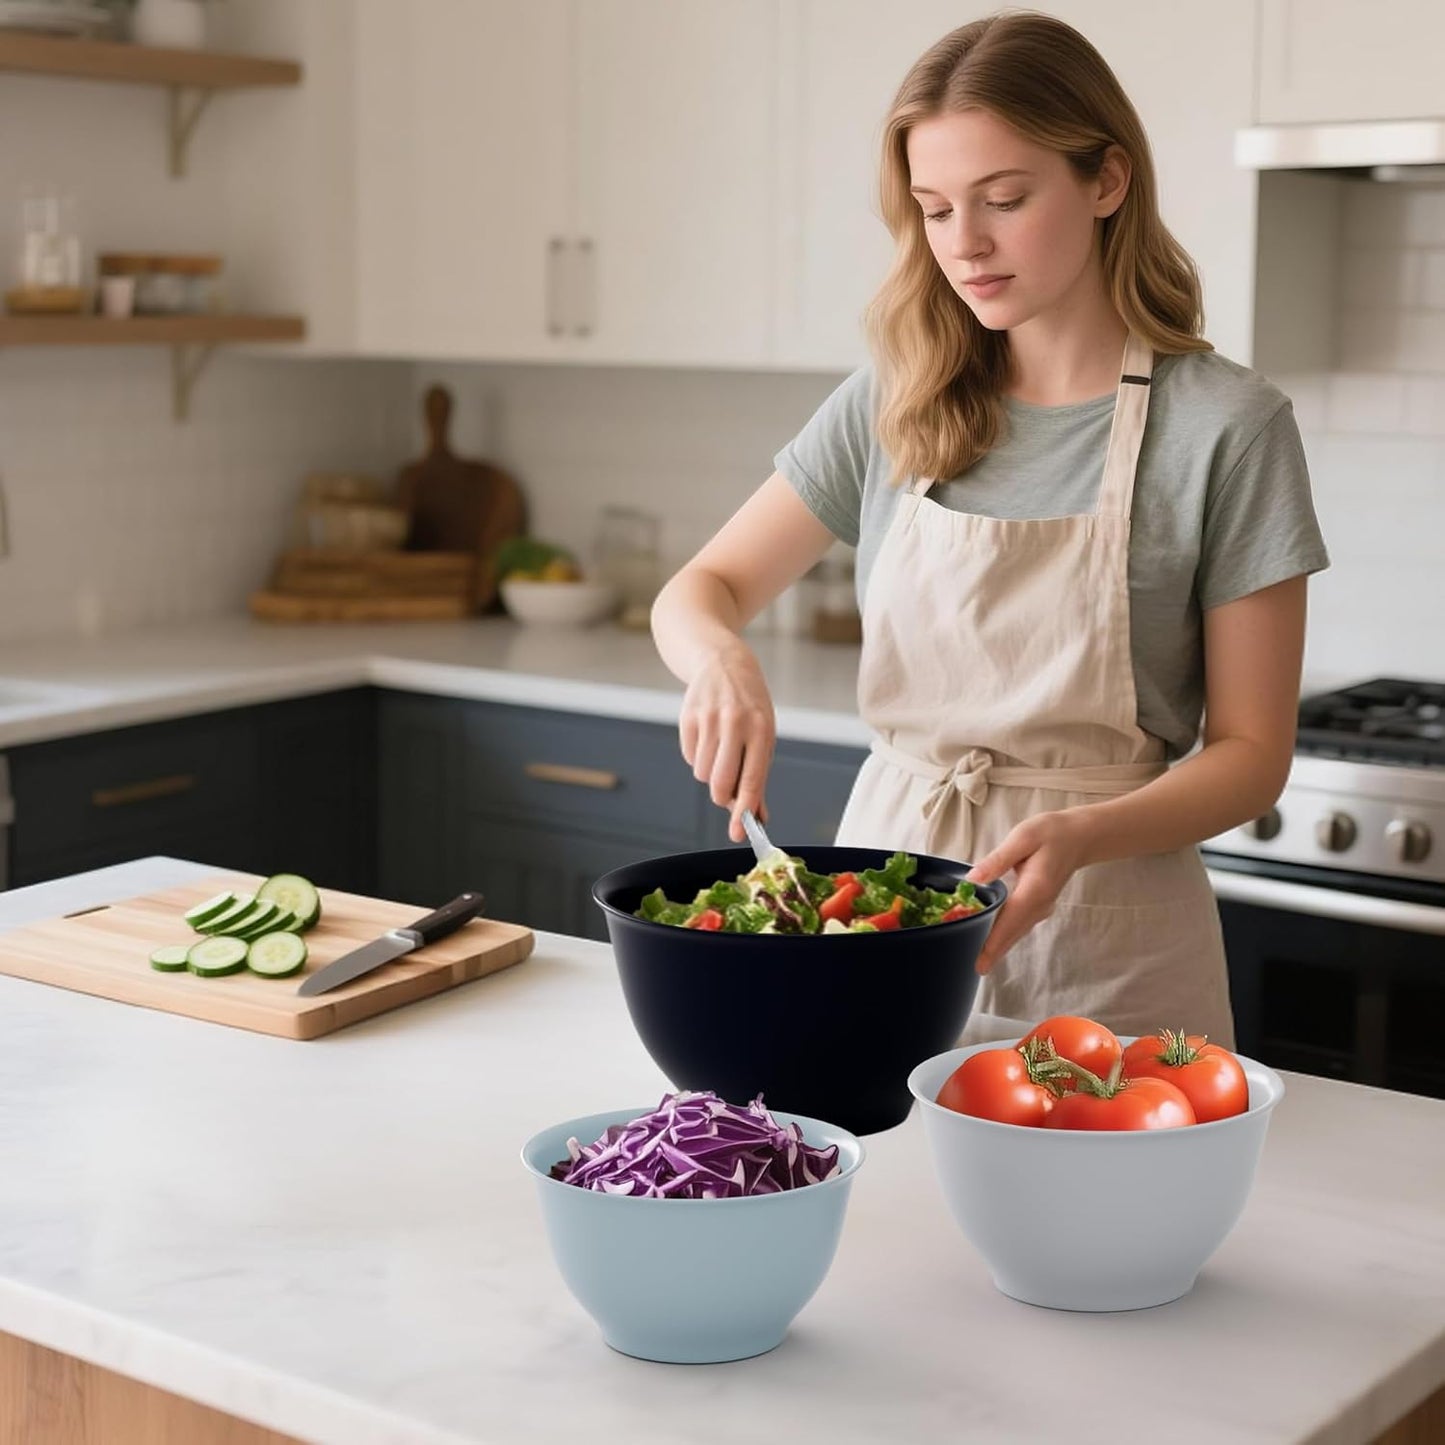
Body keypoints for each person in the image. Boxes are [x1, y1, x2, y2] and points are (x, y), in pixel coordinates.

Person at [649, 11, 1328, 1045]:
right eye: (932, 209)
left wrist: (1078, 830)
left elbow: (1250, 752)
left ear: (1105, 181)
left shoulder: (1225, 428)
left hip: (1110, 927)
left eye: (1003, 200)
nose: (963, 244)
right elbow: (698, 591)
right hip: (882, 908)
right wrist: (718, 660)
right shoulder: (896, 396)